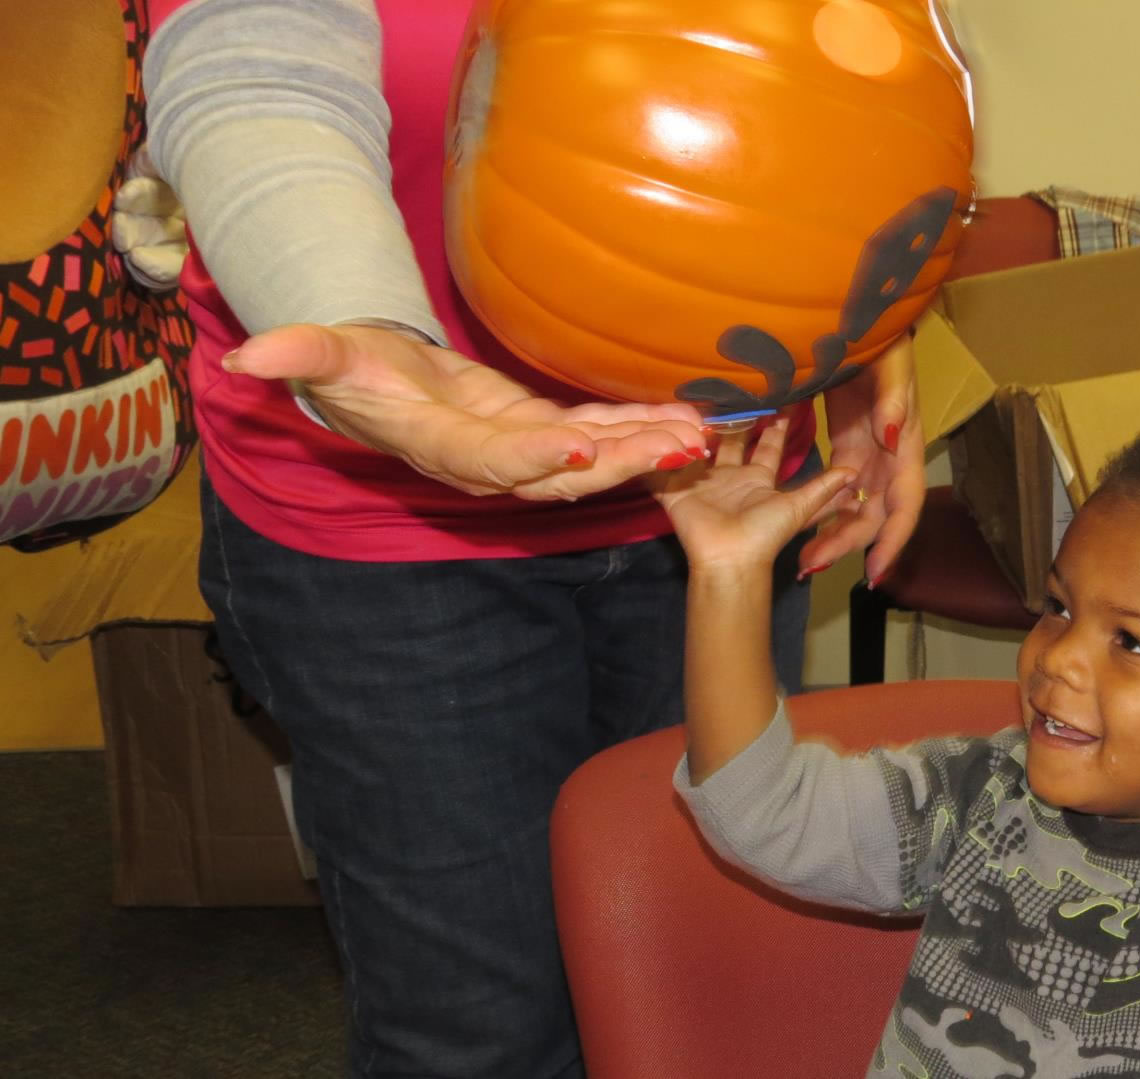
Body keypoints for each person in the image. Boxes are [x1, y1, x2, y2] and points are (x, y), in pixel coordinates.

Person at [141, 1, 925, 1075]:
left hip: (716, 489)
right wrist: (360, 320)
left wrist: (868, 321)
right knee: (481, 1031)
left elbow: (841, 73)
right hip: (385, 530)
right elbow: (255, 65)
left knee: (707, 978)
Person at [654, 385, 1140, 1076]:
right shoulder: (981, 793)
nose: (1059, 657)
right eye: (1059, 606)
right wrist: (727, 577)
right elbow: (766, 811)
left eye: (1135, 642)